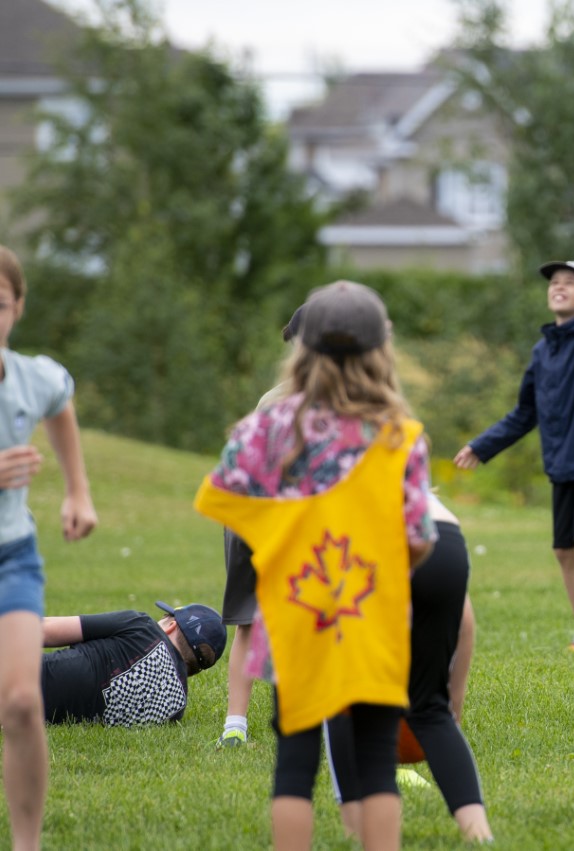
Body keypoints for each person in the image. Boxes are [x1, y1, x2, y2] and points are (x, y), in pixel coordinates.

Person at [195, 280, 434, 851]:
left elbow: (222, 501)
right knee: (377, 766)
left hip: (293, 621)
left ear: (301, 350)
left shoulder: (267, 427)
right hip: (372, 621)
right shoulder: (400, 434)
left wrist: (282, 541)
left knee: (295, 768)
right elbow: (419, 539)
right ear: (381, 351)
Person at [454, 260, 574, 654]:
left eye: (571, 283)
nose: (559, 287)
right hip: (561, 462)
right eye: (554, 283)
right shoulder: (542, 350)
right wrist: (482, 446)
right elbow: (524, 413)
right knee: (563, 549)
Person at [0, 243, 97, 851]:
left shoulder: (36, 376)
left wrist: (77, 493)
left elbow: (60, 407)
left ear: (18, 308)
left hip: (13, 556)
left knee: (21, 702)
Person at [328, 492, 492, 843]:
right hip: (444, 538)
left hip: (370, 535)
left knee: (343, 702)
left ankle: (357, 833)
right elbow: (465, 619)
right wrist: (451, 707)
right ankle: (480, 835)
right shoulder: (405, 447)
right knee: (430, 711)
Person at [217, 305, 306, 749]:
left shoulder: (273, 396)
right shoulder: (326, 399)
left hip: (244, 519)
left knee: (248, 624)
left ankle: (236, 724)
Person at [41, 601, 226, 725]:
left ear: (171, 626)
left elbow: (46, 630)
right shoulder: (176, 709)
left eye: (164, 616)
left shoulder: (142, 625)